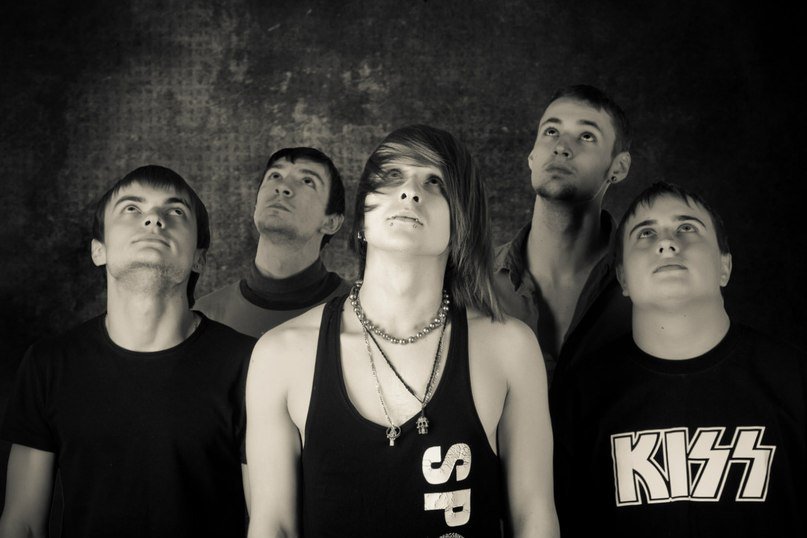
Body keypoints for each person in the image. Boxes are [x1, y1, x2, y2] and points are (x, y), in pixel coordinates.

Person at [246, 125, 559, 537]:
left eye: (434, 181)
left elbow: (534, 517)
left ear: (461, 221)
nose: (410, 192)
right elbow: (273, 525)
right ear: (362, 217)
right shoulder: (280, 355)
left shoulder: (509, 348)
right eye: (392, 176)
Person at [0, 165, 255, 538]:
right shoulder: (49, 364)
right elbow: (21, 523)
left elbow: (269, 520)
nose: (154, 220)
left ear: (199, 257)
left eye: (175, 211)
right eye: (132, 209)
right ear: (98, 250)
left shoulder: (250, 364)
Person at [551, 182, 807, 537]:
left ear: (725, 266)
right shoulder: (578, 396)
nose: (667, 243)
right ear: (623, 278)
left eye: (687, 228)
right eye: (646, 233)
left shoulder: (795, 379)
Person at [494, 84, 633, 385]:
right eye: (551, 131)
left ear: (619, 167)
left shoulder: (643, 281)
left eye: (586, 136)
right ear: (532, 157)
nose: (561, 147)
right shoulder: (472, 281)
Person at [195, 147, 349, 337]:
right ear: (256, 205)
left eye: (307, 181)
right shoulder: (204, 316)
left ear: (331, 222)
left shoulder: (358, 310)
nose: (282, 187)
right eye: (275, 175)